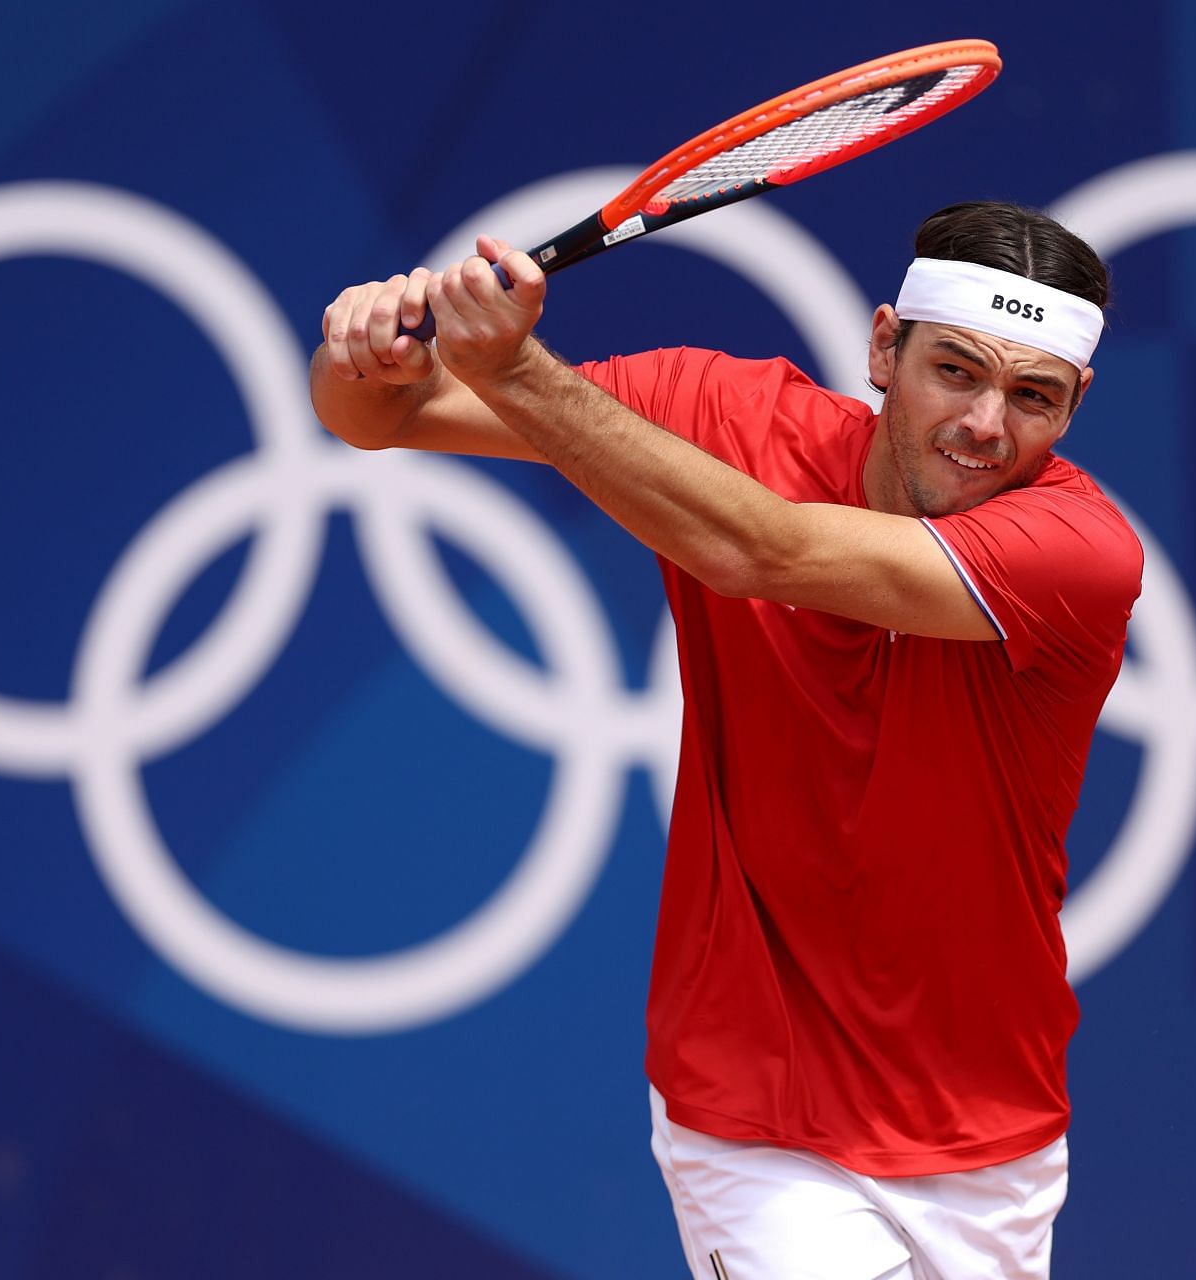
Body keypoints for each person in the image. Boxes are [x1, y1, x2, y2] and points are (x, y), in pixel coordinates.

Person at [311, 201, 1142, 1280]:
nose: (985, 422)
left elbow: (766, 547)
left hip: (993, 1135)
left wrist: (516, 366)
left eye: (1031, 395)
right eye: (955, 369)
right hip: (758, 1115)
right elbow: (380, 417)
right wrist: (365, 348)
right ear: (884, 347)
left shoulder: (1080, 553)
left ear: (1075, 407)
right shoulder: (724, 412)